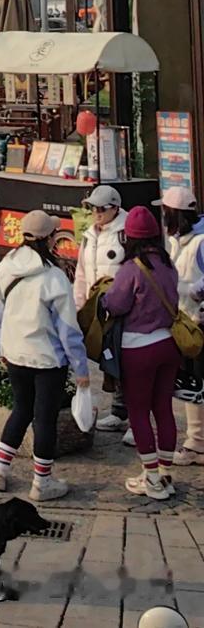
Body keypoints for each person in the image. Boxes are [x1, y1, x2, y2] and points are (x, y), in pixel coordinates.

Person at [0, 209, 90, 502]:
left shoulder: (5, 266)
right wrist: (81, 368)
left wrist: (0, 348)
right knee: (44, 418)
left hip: (14, 353)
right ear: (49, 238)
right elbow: (68, 329)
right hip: (47, 359)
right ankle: (42, 483)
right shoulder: (54, 277)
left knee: (21, 409)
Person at [101, 204, 181, 500]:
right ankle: (165, 474)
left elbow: (115, 305)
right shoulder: (168, 264)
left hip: (138, 349)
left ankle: (151, 479)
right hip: (169, 345)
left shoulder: (132, 269)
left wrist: (104, 298)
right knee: (163, 408)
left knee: (138, 411)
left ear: (129, 238)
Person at [73, 183, 129, 432]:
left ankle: (136, 417)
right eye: (92, 208)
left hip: (123, 310)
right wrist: (80, 305)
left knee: (128, 364)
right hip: (98, 311)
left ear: (115, 208)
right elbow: (81, 273)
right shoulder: (89, 235)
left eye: (101, 208)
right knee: (110, 362)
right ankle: (119, 410)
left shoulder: (126, 232)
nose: (96, 212)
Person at [163, 186, 204, 466]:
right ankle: (196, 441)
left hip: (198, 323)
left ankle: (196, 443)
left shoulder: (200, 242)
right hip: (186, 324)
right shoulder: (177, 240)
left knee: (197, 382)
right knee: (193, 382)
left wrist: (195, 292)